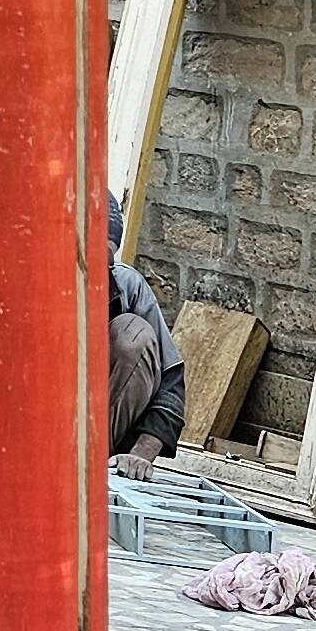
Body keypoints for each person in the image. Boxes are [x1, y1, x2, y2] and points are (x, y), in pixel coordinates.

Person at [107, 194, 185, 479]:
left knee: (134, 333)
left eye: (106, 258)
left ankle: (93, 462)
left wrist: (140, 454)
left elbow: (171, 382)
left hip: (96, 435)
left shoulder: (126, 285)